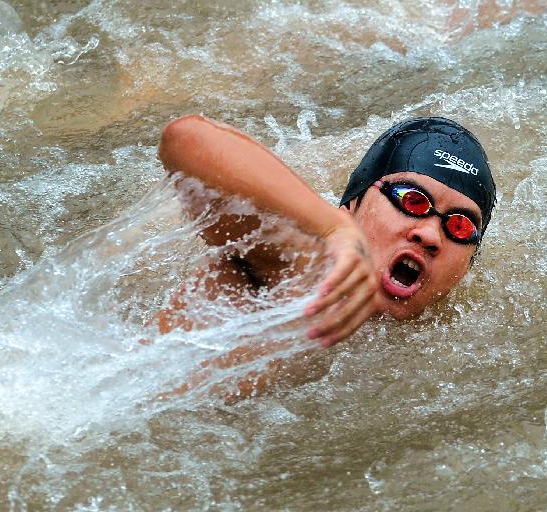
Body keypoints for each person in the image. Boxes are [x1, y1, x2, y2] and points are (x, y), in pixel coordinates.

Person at [154, 114, 496, 399]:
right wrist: (332, 230)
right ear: (351, 207)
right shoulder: (305, 264)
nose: (430, 234)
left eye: (461, 227)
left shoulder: (453, 355)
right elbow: (185, 138)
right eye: (411, 200)